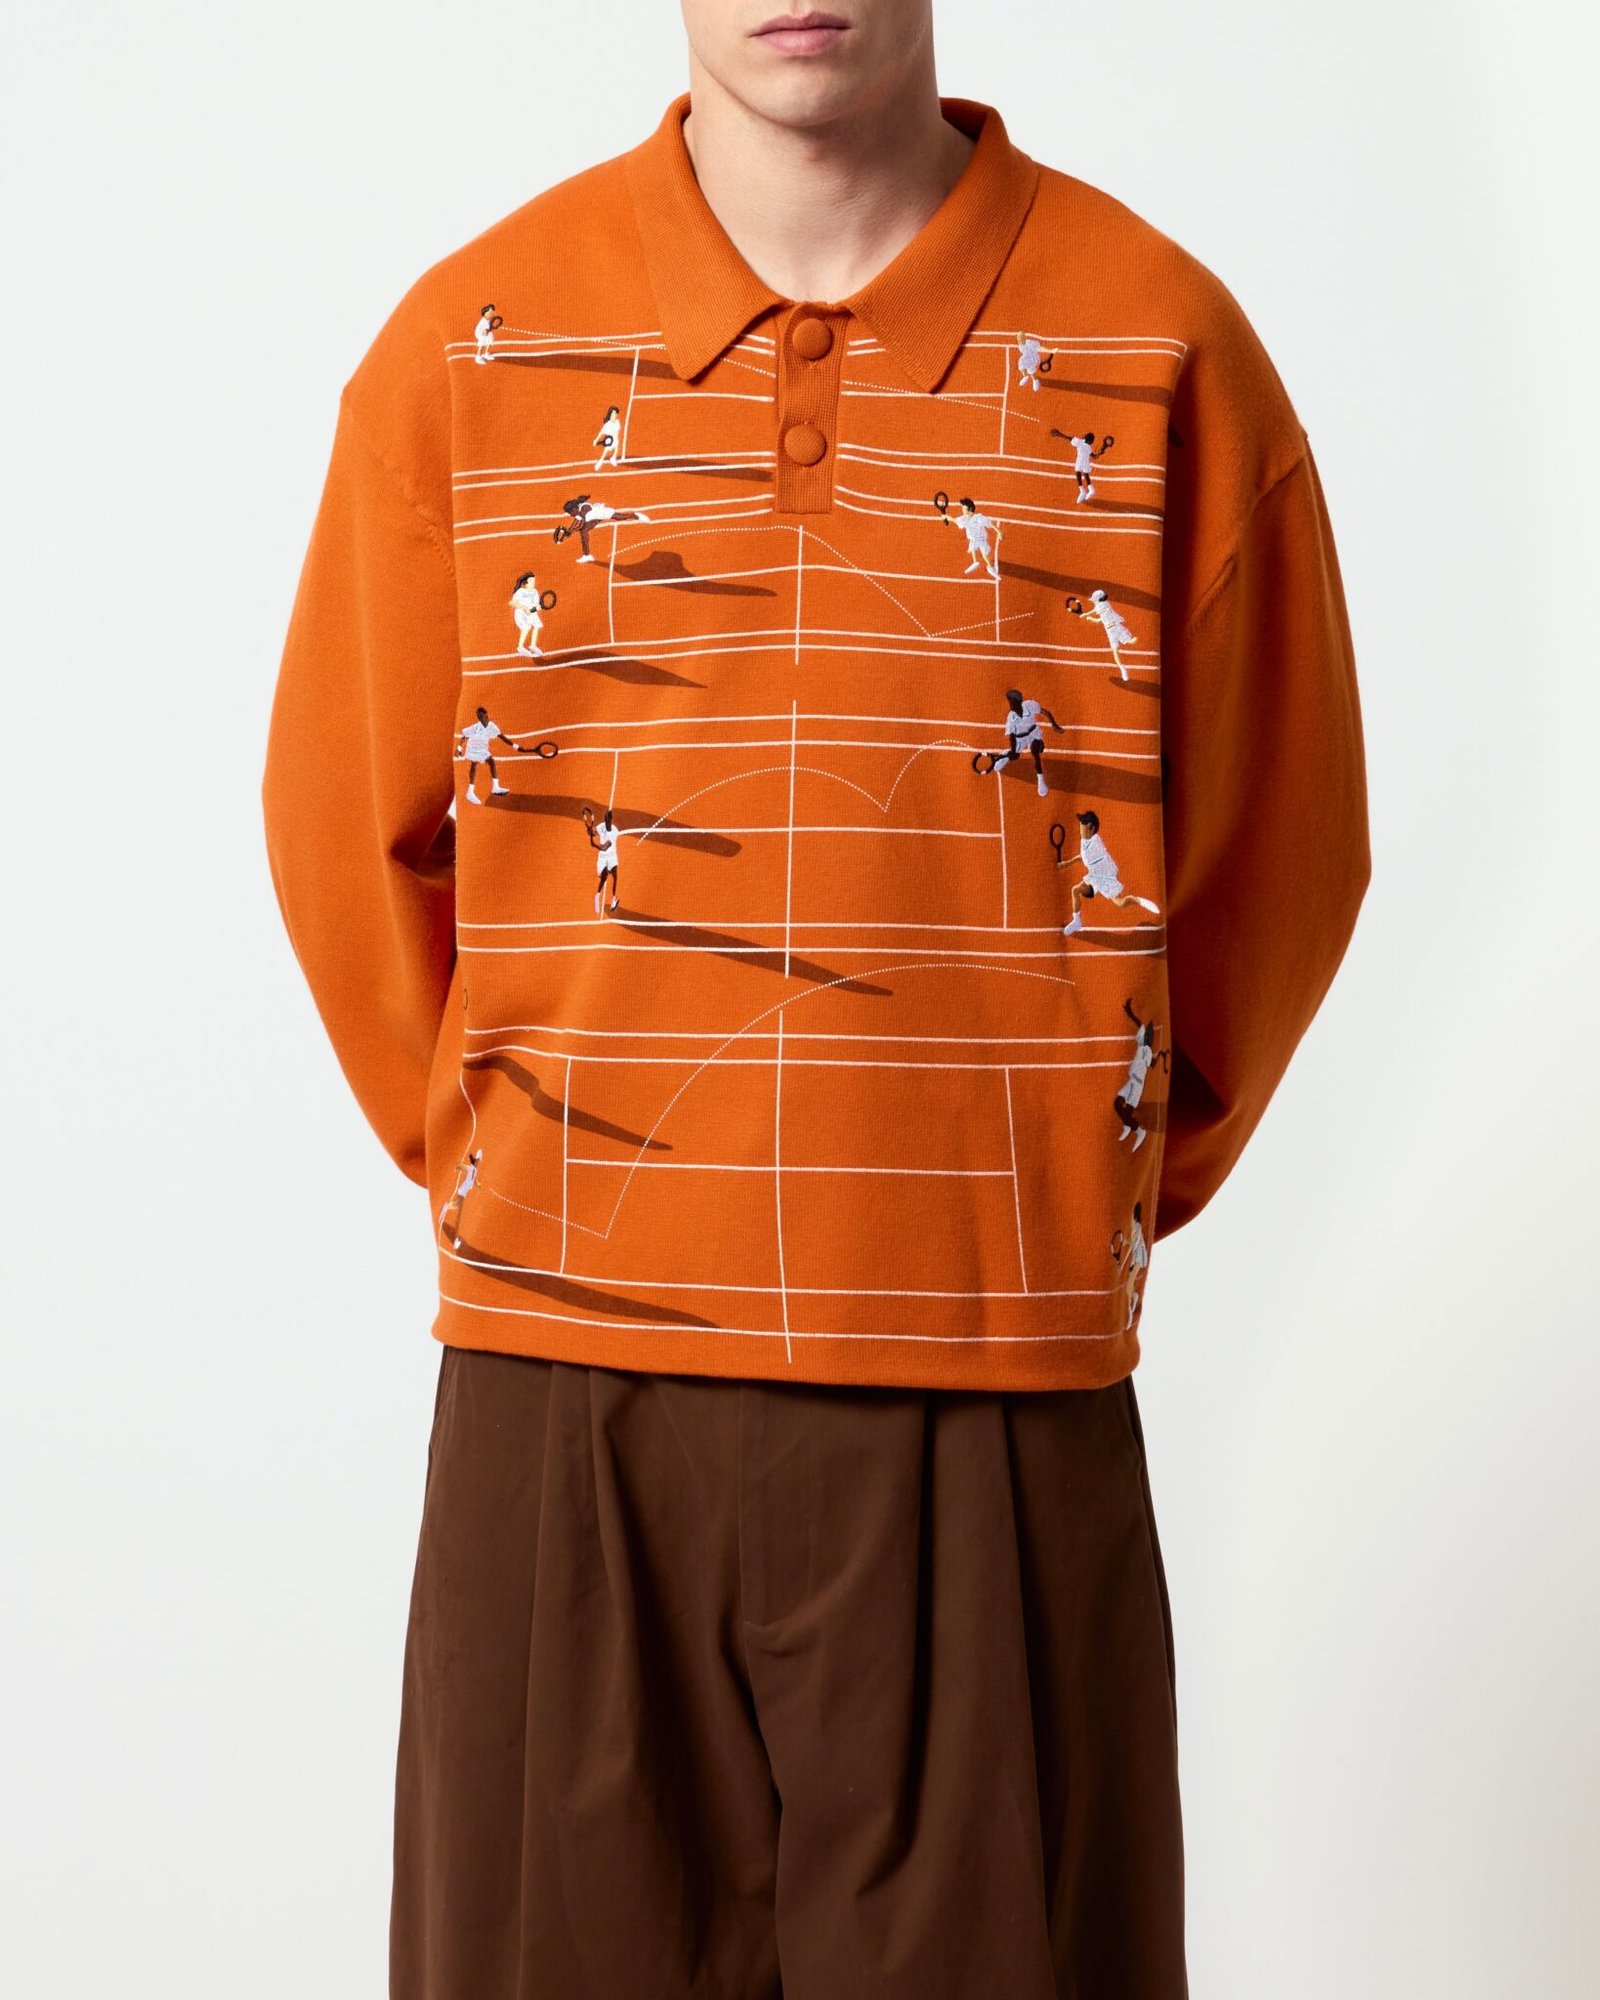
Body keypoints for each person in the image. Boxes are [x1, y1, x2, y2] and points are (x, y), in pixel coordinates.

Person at [262, 4, 1372, 1996]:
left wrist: (1063, 1182)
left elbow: (1278, 857)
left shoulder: (1160, 345)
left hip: (998, 1397)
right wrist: (546, 1171)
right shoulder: (467, 351)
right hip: (565, 1410)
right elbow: (352, 842)